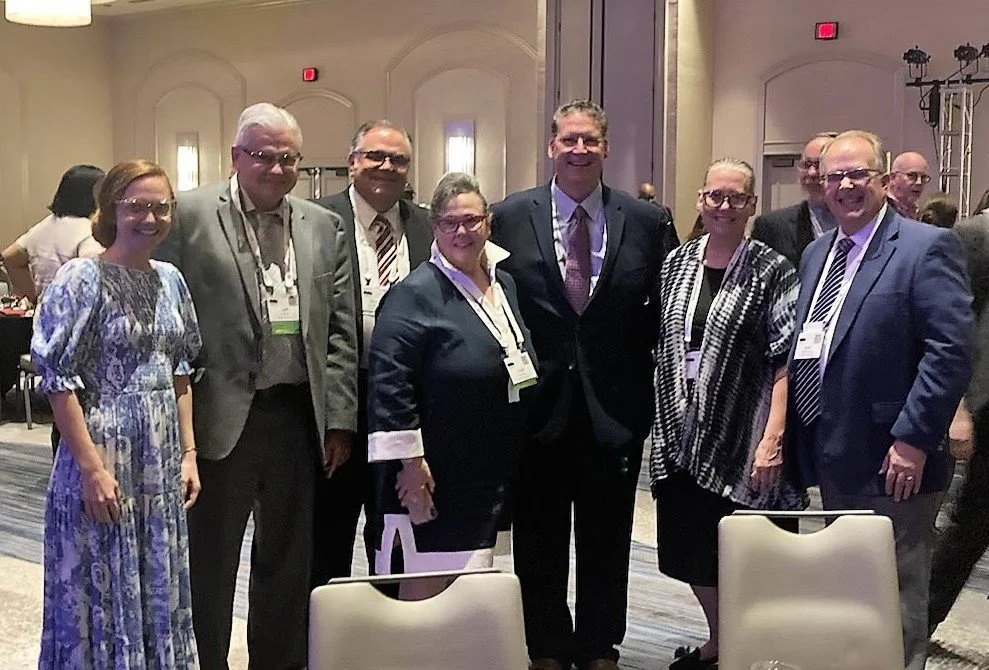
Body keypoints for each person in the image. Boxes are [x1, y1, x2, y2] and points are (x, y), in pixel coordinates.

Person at [154, 102, 358, 670]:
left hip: (296, 414)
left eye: (288, 158)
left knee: (288, 561)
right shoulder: (188, 216)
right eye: (262, 156)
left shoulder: (323, 224)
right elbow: (165, 318)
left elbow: (339, 332)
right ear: (236, 157)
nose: (275, 168)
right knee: (211, 562)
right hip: (219, 418)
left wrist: (338, 420)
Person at [784, 130, 972, 670]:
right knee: (849, 589)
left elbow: (949, 351)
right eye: (833, 175)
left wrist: (913, 439)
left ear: (883, 180)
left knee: (897, 596)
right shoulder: (818, 252)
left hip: (896, 460)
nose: (845, 185)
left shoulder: (925, 246)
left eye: (857, 173)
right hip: (835, 450)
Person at [490, 100, 667, 670]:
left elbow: (661, 312)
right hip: (537, 410)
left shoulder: (646, 220)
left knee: (608, 539)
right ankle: (544, 643)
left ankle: (599, 646)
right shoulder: (509, 215)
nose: (579, 149)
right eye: (569, 140)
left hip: (614, 410)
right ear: (552, 146)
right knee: (538, 538)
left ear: (605, 147)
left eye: (590, 140)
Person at [33, 159, 201, 668]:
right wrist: (90, 468)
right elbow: (58, 381)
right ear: (110, 210)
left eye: (159, 207)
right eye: (136, 207)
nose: (149, 219)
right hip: (103, 455)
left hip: (161, 460)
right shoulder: (81, 278)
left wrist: (190, 454)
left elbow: (181, 370)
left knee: (157, 582)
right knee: (100, 584)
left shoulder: (171, 279)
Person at [650, 158, 805, 669]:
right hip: (680, 436)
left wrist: (772, 438)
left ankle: (748, 645)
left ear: (751, 206)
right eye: (715, 196)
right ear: (700, 199)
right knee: (692, 549)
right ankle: (721, 641)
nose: (723, 206)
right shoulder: (676, 263)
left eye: (736, 198)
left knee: (744, 553)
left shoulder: (771, 269)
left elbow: (784, 357)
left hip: (744, 437)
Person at [367, 172, 535, 600]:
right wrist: (410, 467)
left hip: (486, 465)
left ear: (489, 222)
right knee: (428, 593)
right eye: (449, 222)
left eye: (472, 220)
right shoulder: (413, 294)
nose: (462, 231)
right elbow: (390, 383)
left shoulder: (504, 282)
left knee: (472, 589)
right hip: (433, 472)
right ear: (434, 226)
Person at [311, 120, 432, 586]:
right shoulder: (315, 221)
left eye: (398, 159)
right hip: (338, 399)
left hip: (406, 404)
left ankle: (389, 638)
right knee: (329, 533)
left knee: (396, 533)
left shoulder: (426, 225)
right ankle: (326, 644)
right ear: (352, 161)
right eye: (374, 156)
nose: (386, 167)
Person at [928, 210, 989, 634]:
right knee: (974, 521)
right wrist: (958, 405)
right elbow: (952, 324)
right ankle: (914, 626)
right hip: (988, 404)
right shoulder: (977, 234)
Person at [2, 164, 105, 305]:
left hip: (44, 318)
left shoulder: (42, 227)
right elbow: (95, 270)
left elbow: (9, 257)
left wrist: (34, 298)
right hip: (76, 319)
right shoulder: (88, 231)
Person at [751, 132, 838, 269]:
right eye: (806, 164)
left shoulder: (865, 222)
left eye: (820, 165)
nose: (812, 173)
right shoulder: (771, 227)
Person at [638, 181, 681, 255]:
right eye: (648, 198)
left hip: (663, 254)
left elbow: (672, 235)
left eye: (652, 197)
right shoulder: (635, 212)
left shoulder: (664, 211)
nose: (651, 202)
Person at [887, 151, 931, 220]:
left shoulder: (918, 213)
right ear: (893, 177)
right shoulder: (880, 208)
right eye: (912, 175)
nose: (919, 182)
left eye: (923, 177)